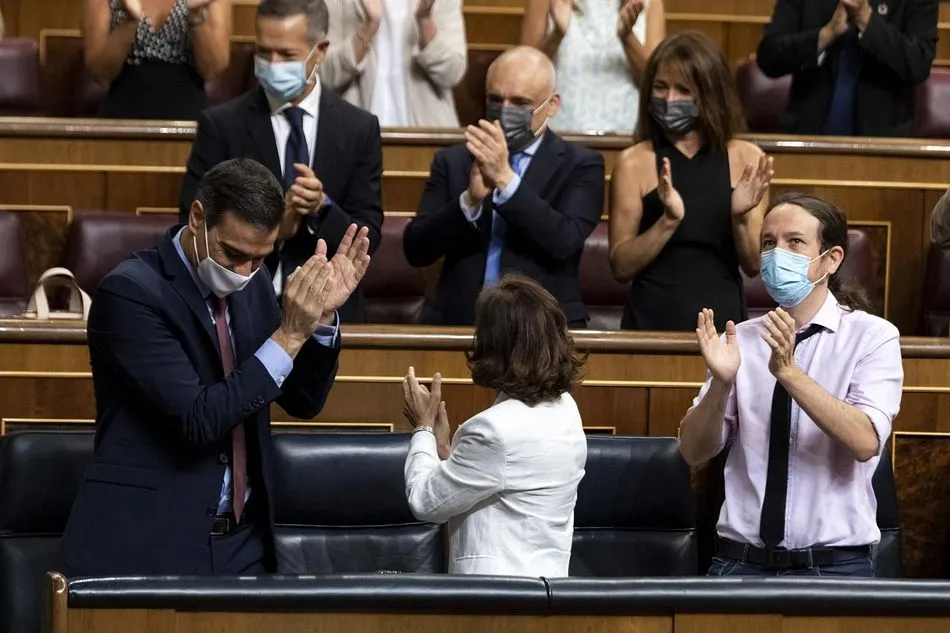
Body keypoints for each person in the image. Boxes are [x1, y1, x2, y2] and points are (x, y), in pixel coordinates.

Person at [59, 158, 371, 576]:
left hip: (243, 545)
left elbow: (304, 400)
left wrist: (321, 321)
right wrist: (290, 335)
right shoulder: (131, 293)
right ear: (197, 217)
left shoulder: (254, 284)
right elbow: (198, 420)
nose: (244, 272)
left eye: (259, 259)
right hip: (150, 543)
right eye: (233, 253)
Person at [678, 192, 903, 577]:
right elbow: (694, 452)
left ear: (831, 259)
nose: (775, 254)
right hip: (739, 562)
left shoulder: (872, 337)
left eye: (794, 242)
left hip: (836, 567)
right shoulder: (741, 339)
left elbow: (866, 442)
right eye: (768, 243)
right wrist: (720, 383)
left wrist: (789, 373)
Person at [179, 0, 383, 322]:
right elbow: (192, 223)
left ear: (320, 51)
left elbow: (368, 238)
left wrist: (322, 207)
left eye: (286, 55)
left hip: (329, 312)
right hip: (239, 311)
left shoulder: (359, 128)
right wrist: (275, 229)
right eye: (264, 52)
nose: (272, 64)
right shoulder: (222, 125)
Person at [403, 46, 604, 327]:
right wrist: (469, 202)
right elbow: (416, 248)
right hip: (460, 324)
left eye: (520, 103)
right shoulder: (454, 160)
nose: (505, 111)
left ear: (552, 105)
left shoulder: (581, 164)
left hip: (542, 330)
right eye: (496, 100)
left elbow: (564, 240)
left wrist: (505, 180)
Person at [402, 274, 587, 576]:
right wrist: (446, 452)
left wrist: (422, 429)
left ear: (494, 344)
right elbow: (502, 479)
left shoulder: (493, 431)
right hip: (549, 591)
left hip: (494, 600)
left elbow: (425, 502)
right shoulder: (566, 408)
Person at [609, 31, 772, 332]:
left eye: (683, 90)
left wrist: (738, 216)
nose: (670, 99)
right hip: (649, 327)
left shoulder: (745, 158)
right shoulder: (634, 162)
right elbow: (620, 265)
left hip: (725, 328)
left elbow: (753, 265)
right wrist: (668, 222)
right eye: (660, 87)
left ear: (710, 94)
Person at [756, 0, 937, 136]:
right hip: (807, 138)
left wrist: (867, 21)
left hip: (883, 145)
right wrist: (825, 35)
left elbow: (918, 63)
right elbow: (769, 57)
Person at [520, 0, 665, 134]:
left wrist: (628, 38)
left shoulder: (650, 2)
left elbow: (656, 82)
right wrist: (556, 35)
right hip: (562, 133)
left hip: (626, 135)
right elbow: (525, 78)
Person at [320, 0, 467, 127]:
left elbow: (453, 74)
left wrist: (425, 21)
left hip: (426, 135)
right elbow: (324, 74)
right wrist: (368, 28)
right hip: (354, 136)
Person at [82, 0, 231, 119]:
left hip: (189, 112)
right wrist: (129, 24)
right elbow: (99, 71)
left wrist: (197, 19)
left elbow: (213, 69)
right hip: (123, 111)